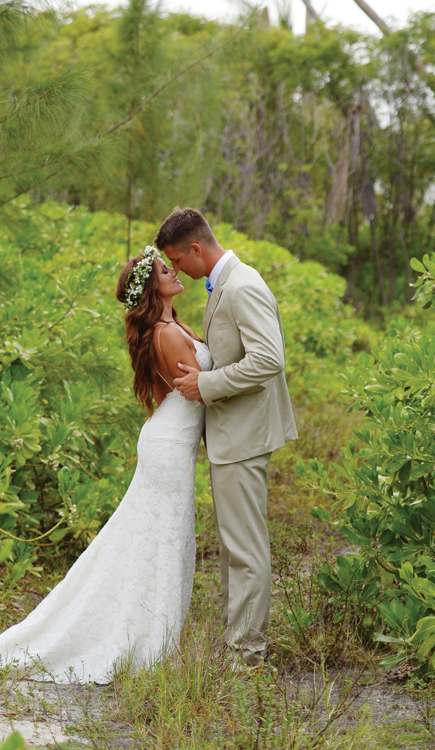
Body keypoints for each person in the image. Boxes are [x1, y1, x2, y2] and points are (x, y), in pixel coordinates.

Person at [0, 247, 211, 683]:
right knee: (159, 539)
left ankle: (150, 634)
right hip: (170, 445)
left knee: (154, 539)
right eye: (165, 269)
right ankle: (146, 642)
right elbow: (201, 390)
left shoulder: (172, 326)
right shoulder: (168, 333)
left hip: (168, 437)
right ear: (152, 287)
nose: (174, 272)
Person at [155, 208, 296, 666]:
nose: (177, 271)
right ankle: (237, 642)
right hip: (232, 432)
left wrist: (207, 385)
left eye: (177, 261)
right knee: (236, 546)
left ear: (196, 249)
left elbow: (269, 359)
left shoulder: (243, 285)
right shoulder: (224, 283)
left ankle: (247, 656)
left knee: (245, 549)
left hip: (243, 434)